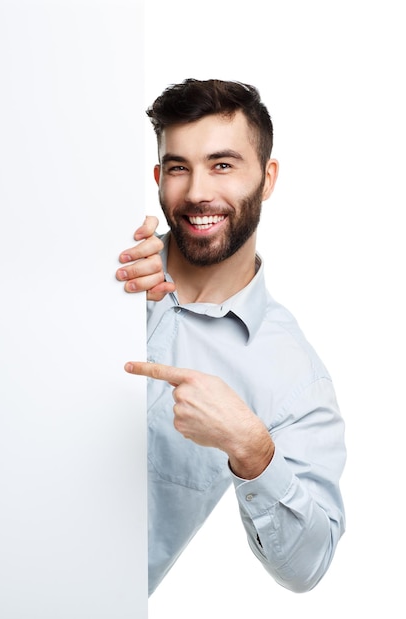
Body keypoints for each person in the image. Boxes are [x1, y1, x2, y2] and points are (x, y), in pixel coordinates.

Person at [115, 79, 346, 596]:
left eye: (222, 165)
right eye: (179, 167)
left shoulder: (293, 378)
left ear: (267, 178)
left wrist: (251, 448)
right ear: (158, 176)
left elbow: (308, 566)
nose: (198, 192)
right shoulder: (104, 270)